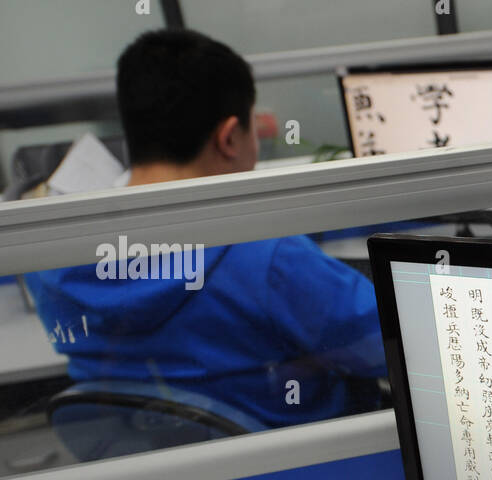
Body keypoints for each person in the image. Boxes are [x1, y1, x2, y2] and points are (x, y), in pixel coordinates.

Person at [25, 29, 386, 428]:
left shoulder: (51, 260)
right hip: (310, 469)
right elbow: (391, 345)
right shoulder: (264, 257)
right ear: (229, 137)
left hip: (156, 478)